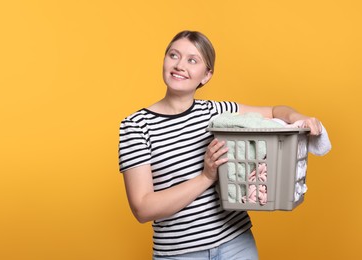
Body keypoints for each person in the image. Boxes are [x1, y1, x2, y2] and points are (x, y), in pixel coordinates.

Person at [118, 30, 322, 259]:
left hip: (237, 242)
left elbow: (276, 111)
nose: (180, 65)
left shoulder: (216, 113)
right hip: (180, 253)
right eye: (173, 55)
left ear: (206, 75)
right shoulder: (136, 126)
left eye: (192, 60)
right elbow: (143, 209)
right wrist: (206, 176)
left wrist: (297, 118)